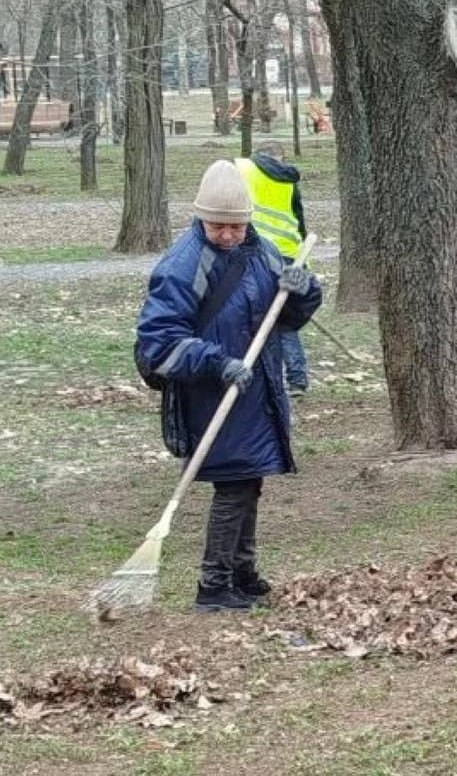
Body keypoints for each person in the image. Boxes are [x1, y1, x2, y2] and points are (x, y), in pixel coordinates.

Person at [135, 160, 322, 612]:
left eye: (236, 227)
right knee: (234, 482)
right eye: (217, 226)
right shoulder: (182, 265)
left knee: (248, 480)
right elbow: (159, 342)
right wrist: (218, 364)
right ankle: (214, 584)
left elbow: (285, 318)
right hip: (211, 392)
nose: (227, 235)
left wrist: (303, 290)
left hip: (256, 390)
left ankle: (242, 573)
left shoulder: (262, 252)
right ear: (201, 219)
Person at [236, 141, 311, 396]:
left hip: (257, 253)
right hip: (289, 255)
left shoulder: (245, 170)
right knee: (284, 319)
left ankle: (259, 375)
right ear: (282, 158)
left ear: (257, 156)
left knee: (256, 316)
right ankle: (297, 379)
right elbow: (299, 220)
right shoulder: (289, 180)